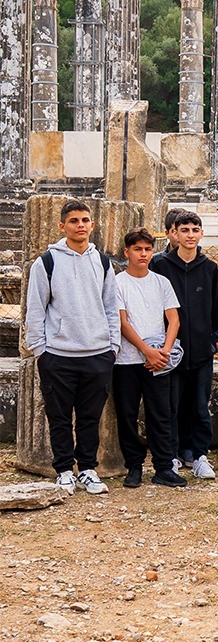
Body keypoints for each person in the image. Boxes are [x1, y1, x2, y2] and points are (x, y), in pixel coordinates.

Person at [25, 199, 120, 495]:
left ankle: (88, 470)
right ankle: (64, 471)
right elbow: (35, 308)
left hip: (97, 354)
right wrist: (40, 350)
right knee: (59, 418)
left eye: (85, 220)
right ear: (62, 226)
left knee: (90, 418)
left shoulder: (102, 262)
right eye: (74, 220)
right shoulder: (47, 262)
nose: (80, 225)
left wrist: (112, 347)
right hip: (58, 355)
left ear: (93, 225)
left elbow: (111, 306)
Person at [150, 210, 218, 480]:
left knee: (200, 406)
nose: (190, 235)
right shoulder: (161, 266)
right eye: (185, 230)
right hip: (171, 350)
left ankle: (199, 455)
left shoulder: (209, 268)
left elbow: (217, 308)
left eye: (195, 230)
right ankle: (171, 455)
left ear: (201, 234)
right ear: (175, 234)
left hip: (201, 351)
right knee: (171, 406)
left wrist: (214, 339)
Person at [112, 227, 186, 488]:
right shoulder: (118, 283)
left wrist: (164, 352)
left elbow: (174, 319)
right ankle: (133, 466)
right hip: (127, 360)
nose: (143, 254)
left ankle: (164, 467)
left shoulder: (161, 282)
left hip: (159, 361)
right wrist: (147, 350)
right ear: (127, 252)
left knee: (161, 414)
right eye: (137, 249)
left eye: (147, 249)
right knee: (127, 414)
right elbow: (122, 322)